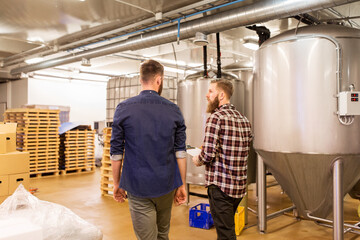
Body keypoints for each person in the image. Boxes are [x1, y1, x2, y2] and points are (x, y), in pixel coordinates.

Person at [110, 59, 187, 240]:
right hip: (166, 184)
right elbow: (180, 152)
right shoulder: (173, 110)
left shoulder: (123, 109)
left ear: (140, 79)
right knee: (162, 234)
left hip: (137, 185)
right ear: (159, 80)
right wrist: (181, 184)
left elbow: (116, 152)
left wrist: (116, 183)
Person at [192, 79, 252, 240]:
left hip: (220, 187)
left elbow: (208, 155)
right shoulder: (244, 119)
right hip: (238, 188)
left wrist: (198, 159)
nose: (207, 95)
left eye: (211, 91)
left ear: (222, 95)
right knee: (226, 228)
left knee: (225, 234)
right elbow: (239, 147)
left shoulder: (215, 118)